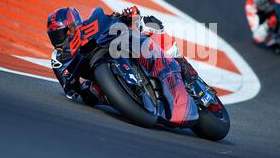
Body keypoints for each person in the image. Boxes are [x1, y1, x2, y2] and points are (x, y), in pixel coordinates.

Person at [46, 6, 198, 103]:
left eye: (60, 34)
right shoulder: (58, 57)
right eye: (55, 36)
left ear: (71, 26)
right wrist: (74, 84)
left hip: (115, 48)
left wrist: (127, 16)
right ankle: (130, 99)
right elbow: (69, 90)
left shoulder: (89, 25)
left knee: (149, 27)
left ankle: (186, 72)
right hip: (97, 76)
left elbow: (111, 19)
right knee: (90, 92)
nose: (58, 40)